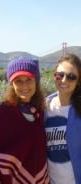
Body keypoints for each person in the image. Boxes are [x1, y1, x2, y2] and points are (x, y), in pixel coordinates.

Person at [0, 56, 49, 184]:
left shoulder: (40, 109)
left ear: (36, 81)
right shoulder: (4, 113)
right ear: (12, 84)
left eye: (29, 80)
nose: (24, 86)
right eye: (18, 81)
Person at [44, 54, 81, 184]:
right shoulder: (43, 108)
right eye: (60, 75)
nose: (64, 80)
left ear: (78, 82)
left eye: (71, 77)